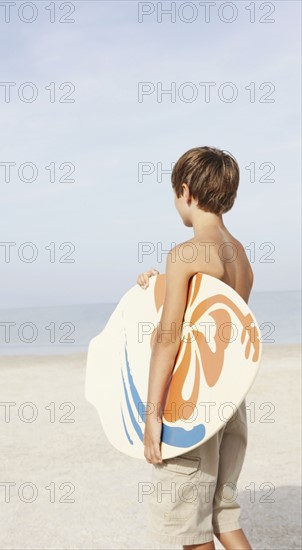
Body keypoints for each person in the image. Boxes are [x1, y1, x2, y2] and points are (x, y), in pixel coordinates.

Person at [136, 146, 253, 550]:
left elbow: (169, 338)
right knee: (222, 514)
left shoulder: (186, 254)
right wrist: (158, 286)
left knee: (190, 526)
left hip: (191, 405)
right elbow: (218, 336)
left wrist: (152, 416)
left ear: (185, 191)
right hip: (230, 405)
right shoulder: (241, 258)